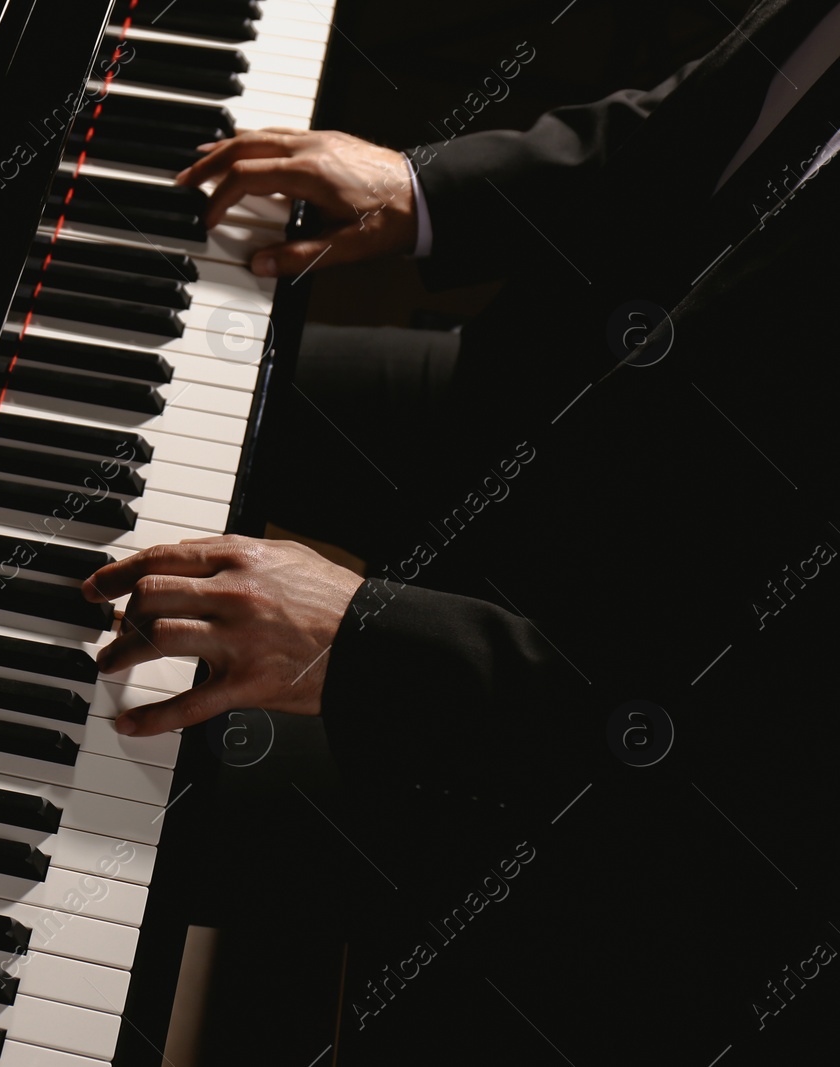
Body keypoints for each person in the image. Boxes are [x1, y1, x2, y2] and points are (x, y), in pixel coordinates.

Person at [83, 1, 840, 1058]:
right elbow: (706, 120)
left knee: (88, 747)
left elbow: (760, 743)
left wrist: (360, 633)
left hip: (604, 784)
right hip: (549, 426)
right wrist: (421, 187)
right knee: (127, 382)